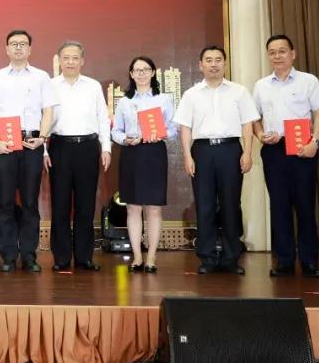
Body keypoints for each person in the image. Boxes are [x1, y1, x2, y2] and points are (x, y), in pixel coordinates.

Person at [175, 45, 259, 275]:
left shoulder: (239, 92)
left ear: (225, 63)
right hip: (202, 151)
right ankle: (207, 258)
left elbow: (247, 124)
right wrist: (187, 156)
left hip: (231, 149)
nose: (214, 64)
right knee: (205, 205)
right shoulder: (191, 94)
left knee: (231, 204)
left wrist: (247, 152)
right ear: (200, 65)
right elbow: (185, 127)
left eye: (218, 59)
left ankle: (231, 258)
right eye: (209, 60)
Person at [252, 35, 319, 278]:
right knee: (279, 206)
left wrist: (315, 142)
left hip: (303, 148)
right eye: (272, 52)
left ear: (292, 54)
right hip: (274, 150)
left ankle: (309, 261)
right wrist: (261, 135)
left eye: (282, 51)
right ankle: (284, 261)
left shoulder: (308, 81)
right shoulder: (261, 85)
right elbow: (255, 118)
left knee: (305, 205)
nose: (277, 56)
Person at [0, 30, 57, 273]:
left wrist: (42, 139)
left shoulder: (41, 77)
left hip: (31, 143)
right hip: (4, 144)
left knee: (29, 202)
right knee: (5, 201)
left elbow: (48, 111)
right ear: (6, 49)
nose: (18, 47)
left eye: (23, 44)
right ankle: (7, 255)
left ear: (30, 49)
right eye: (13, 44)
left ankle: (28, 255)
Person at [47, 41, 111, 272]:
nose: (71, 62)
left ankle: (85, 257)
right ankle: (61, 257)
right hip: (60, 147)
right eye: (66, 58)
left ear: (82, 61)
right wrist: (43, 150)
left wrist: (106, 148)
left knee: (86, 204)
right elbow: (42, 119)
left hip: (88, 147)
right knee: (60, 204)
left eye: (75, 58)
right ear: (59, 60)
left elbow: (103, 117)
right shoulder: (50, 86)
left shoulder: (92, 86)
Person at [110, 56, 176, 273]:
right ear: (131, 74)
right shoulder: (125, 102)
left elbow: (173, 129)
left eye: (145, 69)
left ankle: (152, 257)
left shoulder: (163, 99)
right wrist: (125, 139)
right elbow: (115, 131)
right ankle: (137, 256)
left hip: (154, 153)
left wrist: (159, 134)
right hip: (131, 154)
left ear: (153, 72)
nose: (141, 73)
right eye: (137, 70)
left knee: (154, 208)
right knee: (133, 207)